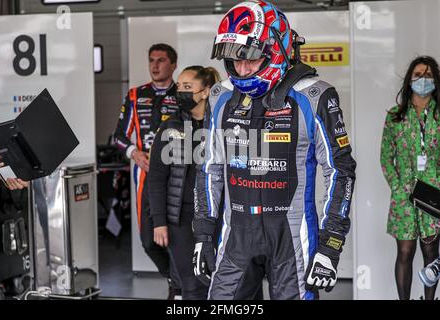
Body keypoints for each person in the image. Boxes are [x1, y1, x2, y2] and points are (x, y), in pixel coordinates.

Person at [192, 0, 356, 300]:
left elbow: (341, 171)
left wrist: (331, 244)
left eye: (251, 59)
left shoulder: (314, 95)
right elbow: (209, 169)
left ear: (275, 50)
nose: (242, 69)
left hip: (292, 238)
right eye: (234, 60)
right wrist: (203, 234)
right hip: (235, 236)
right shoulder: (220, 97)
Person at [114, 43, 181, 298]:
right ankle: (174, 277)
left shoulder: (184, 93)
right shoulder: (135, 94)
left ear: (173, 64)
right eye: (152, 60)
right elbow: (118, 136)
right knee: (148, 241)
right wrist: (135, 153)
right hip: (146, 176)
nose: (155, 65)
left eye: (161, 60)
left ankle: (178, 283)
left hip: (178, 175)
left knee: (177, 234)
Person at [148, 66, 220, 300]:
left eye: (187, 87)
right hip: (180, 220)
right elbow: (157, 178)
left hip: (217, 218)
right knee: (192, 286)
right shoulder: (169, 126)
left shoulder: (222, 124)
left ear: (205, 91)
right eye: (179, 87)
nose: (180, 92)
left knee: (223, 283)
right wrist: (159, 222)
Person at [380, 55, 440, 300]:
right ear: (409, 80)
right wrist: (397, 187)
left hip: (434, 194)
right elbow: (386, 157)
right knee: (405, 252)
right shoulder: (396, 116)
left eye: (428, 75)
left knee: (431, 254)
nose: (423, 79)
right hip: (403, 196)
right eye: (418, 75)